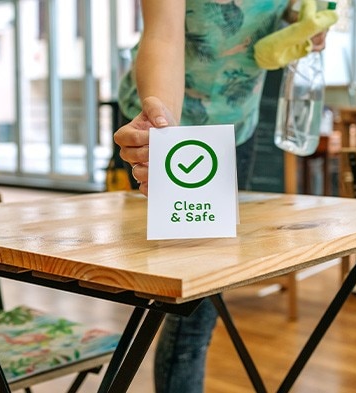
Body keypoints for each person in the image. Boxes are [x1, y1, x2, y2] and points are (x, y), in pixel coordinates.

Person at [113, 1, 332, 392]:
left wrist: (305, 25)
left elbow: (293, 11)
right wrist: (167, 135)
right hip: (158, 119)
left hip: (236, 125)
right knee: (165, 288)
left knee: (200, 302)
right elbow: (163, 33)